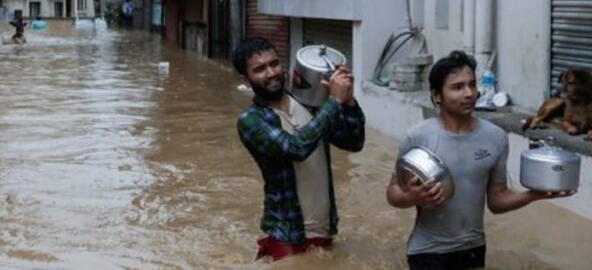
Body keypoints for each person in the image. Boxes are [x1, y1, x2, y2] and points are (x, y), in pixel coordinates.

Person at [386, 51, 574, 270]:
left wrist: (532, 195)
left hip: (473, 248)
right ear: (437, 95)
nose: (469, 93)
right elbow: (393, 194)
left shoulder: (495, 137)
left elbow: (496, 201)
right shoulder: (417, 137)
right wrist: (412, 196)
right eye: (457, 87)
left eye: (472, 85)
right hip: (427, 250)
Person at [235, 37, 365, 262]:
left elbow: (354, 142)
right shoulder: (251, 121)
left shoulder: (311, 104)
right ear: (246, 79)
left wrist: (349, 102)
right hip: (287, 235)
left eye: (274, 64)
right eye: (260, 69)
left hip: (324, 229)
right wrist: (333, 102)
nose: (271, 73)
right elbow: (295, 148)